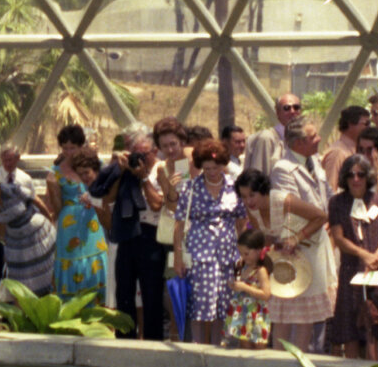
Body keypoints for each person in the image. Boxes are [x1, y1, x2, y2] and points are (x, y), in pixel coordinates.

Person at [266, 118, 336, 351]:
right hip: (295, 248)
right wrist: (309, 228)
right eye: (313, 137)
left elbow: (326, 197)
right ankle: (281, 366)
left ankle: (304, 364)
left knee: (308, 315)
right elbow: (294, 209)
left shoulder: (315, 162)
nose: (318, 139)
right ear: (298, 143)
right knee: (288, 314)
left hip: (317, 246)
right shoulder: (282, 168)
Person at [90, 127, 162, 334]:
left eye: (144, 153)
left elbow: (157, 204)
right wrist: (122, 172)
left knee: (151, 294)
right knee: (124, 292)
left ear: (154, 152)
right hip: (127, 234)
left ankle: (153, 341)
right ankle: (125, 337)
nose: (139, 158)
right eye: (135, 152)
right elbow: (108, 198)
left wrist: (143, 177)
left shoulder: (160, 169)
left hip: (151, 236)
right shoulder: (126, 171)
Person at [174, 139, 242, 345]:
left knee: (224, 305)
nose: (211, 172)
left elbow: (241, 220)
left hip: (228, 255)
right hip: (199, 254)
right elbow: (179, 224)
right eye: (207, 168)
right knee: (201, 306)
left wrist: (242, 251)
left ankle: (218, 349)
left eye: (216, 167)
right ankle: (198, 348)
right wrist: (178, 256)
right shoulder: (190, 187)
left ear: (223, 165)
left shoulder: (234, 187)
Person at [329, 153, 378, 361]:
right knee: (350, 328)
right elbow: (338, 237)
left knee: (376, 327)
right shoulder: (337, 202)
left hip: (377, 269)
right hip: (350, 269)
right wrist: (364, 254)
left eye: (361, 174)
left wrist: (377, 255)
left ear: (368, 176)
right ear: (345, 177)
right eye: (351, 175)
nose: (356, 179)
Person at [0, 144, 56, 299]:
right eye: (4, 160)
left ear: (18, 159)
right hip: (6, 234)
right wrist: (3, 241)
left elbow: (35, 200)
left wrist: (50, 220)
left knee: (36, 268)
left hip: (31, 233)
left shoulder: (23, 180)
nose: (7, 163)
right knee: (8, 270)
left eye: (11, 159)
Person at [51, 146, 111, 300]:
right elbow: (55, 208)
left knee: (96, 260)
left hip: (94, 228)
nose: (84, 177)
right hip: (70, 229)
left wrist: (95, 198)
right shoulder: (57, 173)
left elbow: (107, 215)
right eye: (80, 174)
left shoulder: (104, 185)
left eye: (86, 173)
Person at [226, 227, 272, 348]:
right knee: (244, 347)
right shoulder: (243, 268)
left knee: (258, 347)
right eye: (241, 253)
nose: (243, 257)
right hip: (243, 315)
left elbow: (266, 294)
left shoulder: (260, 271)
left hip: (256, 315)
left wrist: (245, 287)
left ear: (258, 251)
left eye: (246, 253)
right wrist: (234, 285)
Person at [243, 94, 302, 176]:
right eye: (286, 108)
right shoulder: (267, 139)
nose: (292, 111)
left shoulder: (303, 138)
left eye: (296, 107)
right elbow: (258, 176)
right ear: (277, 113)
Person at [323, 105, 368, 191]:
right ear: (350, 124)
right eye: (365, 124)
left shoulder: (357, 149)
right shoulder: (337, 153)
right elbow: (331, 188)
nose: (368, 127)